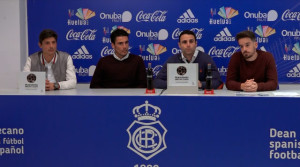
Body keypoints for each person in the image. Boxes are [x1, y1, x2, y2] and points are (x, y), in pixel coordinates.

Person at [154, 30, 223, 89]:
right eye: (184, 42)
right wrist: (175, 84)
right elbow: (157, 82)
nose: (188, 45)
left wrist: (201, 84)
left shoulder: (206, 59)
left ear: (196, 43)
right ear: (179, 45)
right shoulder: (172, 60)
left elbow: (217, 82)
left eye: (191, 41)